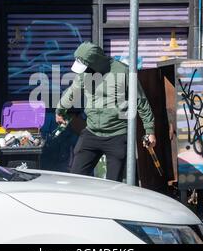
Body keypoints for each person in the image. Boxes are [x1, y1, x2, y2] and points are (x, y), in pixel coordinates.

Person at [56, 42, 156, 182]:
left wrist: (149, 130)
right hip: (92, 132)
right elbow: (72, 92)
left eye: (86, 67)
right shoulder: (84, 74)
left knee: (113, 185)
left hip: (117, 135)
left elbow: (141, 101)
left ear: (95, 63)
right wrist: (60, 110)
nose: (84, 71)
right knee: (75, 179)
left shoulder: (123, 71)